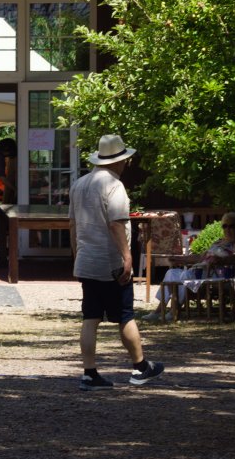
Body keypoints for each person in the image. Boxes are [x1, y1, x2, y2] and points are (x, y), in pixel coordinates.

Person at [69, 134, 164, 390]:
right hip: (110, 260)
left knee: (90, 317)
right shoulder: (114, 185)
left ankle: (89, 373)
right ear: (119, 161)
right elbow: (117, 223)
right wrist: (128, 256)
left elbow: (73, 225)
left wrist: (76, 253)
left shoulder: (79, 184)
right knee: (124, 315)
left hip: (87, 259)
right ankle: (140, 366)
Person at [155, 212, 235, 309]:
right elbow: (200, 257)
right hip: (200, 271)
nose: (227, 229)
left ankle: (175, 310)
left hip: (217, 274)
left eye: (231, 226)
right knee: (171, 273)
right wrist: (179, 259)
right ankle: (159, 310)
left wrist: (220, 259)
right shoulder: (218, 242)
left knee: (186, 276)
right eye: (225, 226)